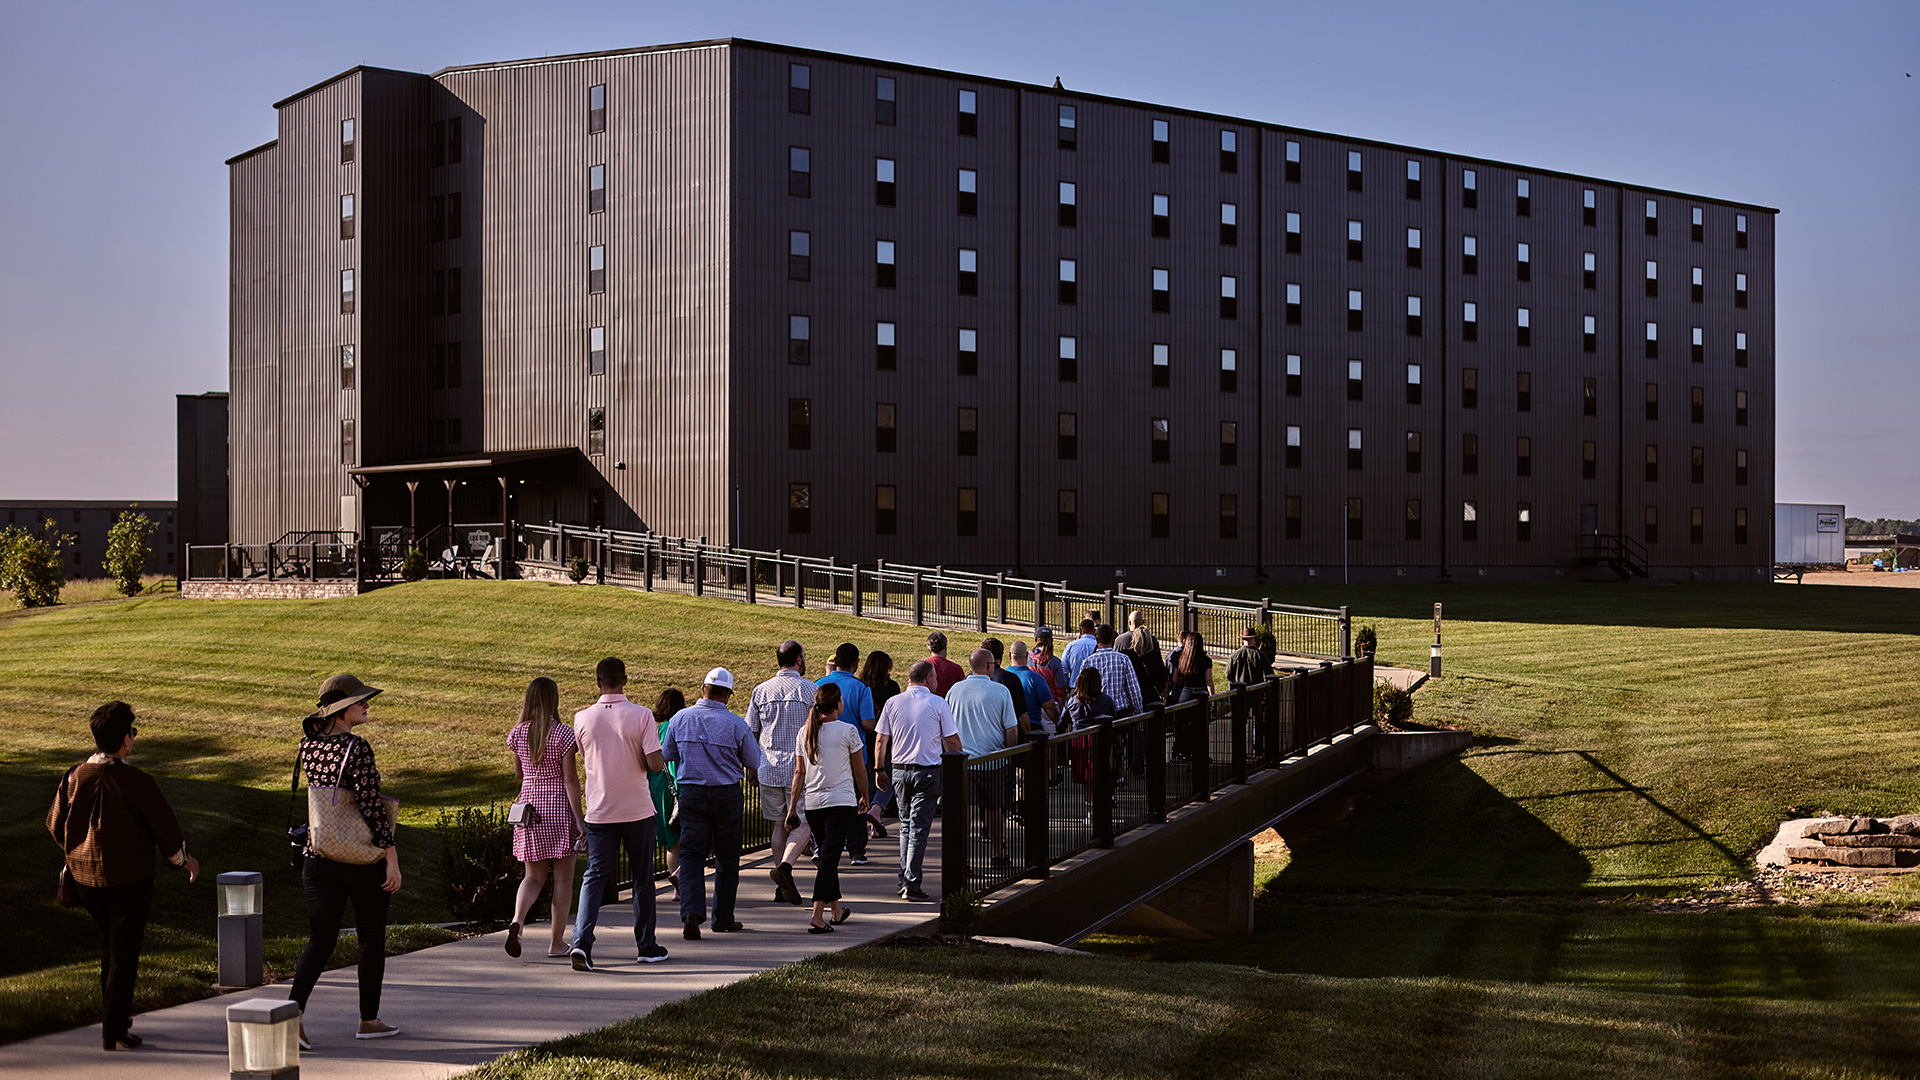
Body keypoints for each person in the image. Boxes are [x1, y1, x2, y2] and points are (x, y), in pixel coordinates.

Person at [46, 701, 199, 1052]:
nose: (133, 737)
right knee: (124, 954)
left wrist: (78, 850)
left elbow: (55, 825)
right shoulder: (137, 782)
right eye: (132, 732)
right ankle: (113, 1029)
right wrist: (185, 862)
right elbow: (166, 831)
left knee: (112, 946)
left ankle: (114, 1018)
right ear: (125, 740)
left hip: (85, 881)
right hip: (130, 882)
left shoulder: (73, 776)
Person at [289, 674, 401, 1045]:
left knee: (320, 940)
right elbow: (371, 807)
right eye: (360, 701)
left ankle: (292, 1015)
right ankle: (368, 1020)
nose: (367, 705)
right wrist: (391, 856)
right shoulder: (357, 748)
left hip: (318, 853)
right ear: (341, 709)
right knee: (370, 938)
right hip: (359, 859)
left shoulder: (308, 745)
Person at [569, 657, 668, 971]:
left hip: (600, 809)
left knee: (595, 876)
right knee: (642, 878)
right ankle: (646, 945)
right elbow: (655, 764)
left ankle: (582, 941)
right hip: (637, 809)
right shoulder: (642, 715)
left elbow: (587, 755)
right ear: (625, 680)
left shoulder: (582, 718)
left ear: (598, 683)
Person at [662, 667, 762, 939]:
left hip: (691, 792)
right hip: (726, 794)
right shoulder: (736, 724)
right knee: (727, 858)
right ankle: (723, 918)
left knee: (691, 855)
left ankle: (691, 913)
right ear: (728, 695)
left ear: (703, 689)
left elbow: (668, 753)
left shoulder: (680, 718)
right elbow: (753, 760)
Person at [505, 677, 583, 961]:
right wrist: (580, 820)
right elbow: (570, 779)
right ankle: (556, 943)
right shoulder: (563, 734)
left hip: (529, 810)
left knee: (533, 877)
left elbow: (519, 773)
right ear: (554, 699)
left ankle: (517, 919)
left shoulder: (518, 732)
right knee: (563, 881)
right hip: (558, 807)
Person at [873, 661, 961, 900]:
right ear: (928, 678)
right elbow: (952, 740)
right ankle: (911, 883)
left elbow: (881, 739)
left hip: (899, 771)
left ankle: (904, 877)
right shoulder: (937, 703)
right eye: (935, 678)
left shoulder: (893, 702)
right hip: (928, 772)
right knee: (919, 828)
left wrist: (879, 769)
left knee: (905, 825)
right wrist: (960, 762)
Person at [786, 683, 869, 932]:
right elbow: (860, 770)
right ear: (836, 705)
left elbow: (799, 773)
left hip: (813, 804)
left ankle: (836, 910)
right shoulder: (848, 731)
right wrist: (865, 796)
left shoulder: (805, 732)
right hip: (841, 802)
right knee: (829, 858)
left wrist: (792, 808)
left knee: (826, 855)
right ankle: (817, 915)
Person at [746, 641, 813, 902]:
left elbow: (752, 732)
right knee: (804, 823)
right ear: (798, 659)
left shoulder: (760, 691)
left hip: (769, 767)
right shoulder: (810, 690)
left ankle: (782, 883)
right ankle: (785, 868)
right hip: (801, 769)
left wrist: (752, 766)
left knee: (778, 824)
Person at [946, 648, 1020, 866]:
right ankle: (998, 853)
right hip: (993, 760)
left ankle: (963, 859)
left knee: (965, 810)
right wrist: (1009, 754)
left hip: (962, 762)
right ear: (989, 666)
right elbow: (1012, 729)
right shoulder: (1000, 691)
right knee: (994, 809)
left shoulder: (954, 690)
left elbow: (946, 728)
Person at [816, 643, 876, 864]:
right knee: (858, 800)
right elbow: (868, 724)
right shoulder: (861, 688)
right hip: (854, 753)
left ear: (835, 661)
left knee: (826, 799)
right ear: (855, 663)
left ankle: (822, 845)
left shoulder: (818, 685)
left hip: (823, 752)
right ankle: (856, 849)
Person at [1060, 668, 1119, 819]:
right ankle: (1104, 807)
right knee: (1102, 773)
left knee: (1087, 780)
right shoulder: (1106, 701)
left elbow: (1061, 723)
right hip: (1101, 740)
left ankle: (1090, 811)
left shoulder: (1072, 702)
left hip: (1079, 742)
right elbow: (1115, 719)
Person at [857, 650, 901, 838]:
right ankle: (876, 809)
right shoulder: (891, 687)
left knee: (868, 780)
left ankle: (872, 823)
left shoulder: (861, 686)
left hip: (864, 738)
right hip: (885, 739)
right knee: (886, 777)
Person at [651, 688, 685, 901]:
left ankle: (677, 888)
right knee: (687, 838)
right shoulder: (678, 728)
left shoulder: (654, 731)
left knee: (672, 843)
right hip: (676, 790)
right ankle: (680, 879)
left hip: (657, 790)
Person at [1166, 632, 1216, 763]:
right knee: (1200, 726)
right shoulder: (1206, 660)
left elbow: (1175, 679)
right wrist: (1213, 697)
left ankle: (1182, 753)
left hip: (1186, 692)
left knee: (1183, 725)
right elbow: (1208, 680)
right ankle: (1200, 754)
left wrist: (1184, 681)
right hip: (1201, 693)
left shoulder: (1181, 659)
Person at [1082, 625, 1144, 717]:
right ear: (1112, 639)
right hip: (1119, 711)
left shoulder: (1087, 662)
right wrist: (1139, 712)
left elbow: (1082, 689)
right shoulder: (1123, 659)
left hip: (1095, 711)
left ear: (1096, 639)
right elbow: (1134, 689)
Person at [980, 638, 1031, 736]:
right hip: (1004, 737)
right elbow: (1022, 714)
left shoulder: (967, 680)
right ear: (1002, 655)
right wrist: (1029, 736)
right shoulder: (1010, 679)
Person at [1117, 612, 1169, 705]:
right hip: (1152, 693)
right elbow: (1161, 671)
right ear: (1143, 622)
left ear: (1129, 622)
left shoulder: (1121, 642)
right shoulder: (1153, 646)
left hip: (1131, 693)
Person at [1007, 641, 1057, 735]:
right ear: (1027, 655)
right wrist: (1060, 725)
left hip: (1008, 728)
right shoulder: (1035, 678)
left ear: (1010, 655)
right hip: (1033, 727)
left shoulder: (1003, 677)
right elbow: (1050, 707)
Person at [924, 631, 966, 697]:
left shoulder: (921, 667)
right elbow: (964, 691)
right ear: (945, 647)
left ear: (929, 649)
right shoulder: (956, 669)